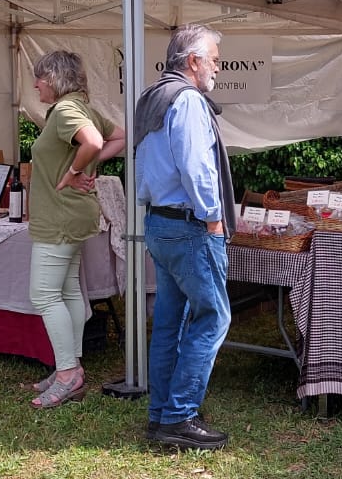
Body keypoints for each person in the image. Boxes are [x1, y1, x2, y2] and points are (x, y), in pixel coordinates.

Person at [134, 25, 234, 451]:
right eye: (212, 58)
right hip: (189, 225)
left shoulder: (152, 96)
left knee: (170, 323)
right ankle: (179, 416)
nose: (216, 66)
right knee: (214, 317)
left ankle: (162, 414)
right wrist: (213, 218)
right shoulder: (188, 100)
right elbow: (197, 167)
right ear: (192, 61)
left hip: (159, 221)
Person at [25, 51, 126, 408]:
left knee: (44, 294)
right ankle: (72, 367)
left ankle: (67, 375)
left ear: (52, 79)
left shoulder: (67, 111)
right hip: (72, 215)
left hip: (60, 217)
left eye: (38, 78)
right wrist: (85, 168)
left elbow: (96, 142)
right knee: (66, 290)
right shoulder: (80, 108)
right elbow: (120, 138)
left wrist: (75, 173)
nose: (35, 85)